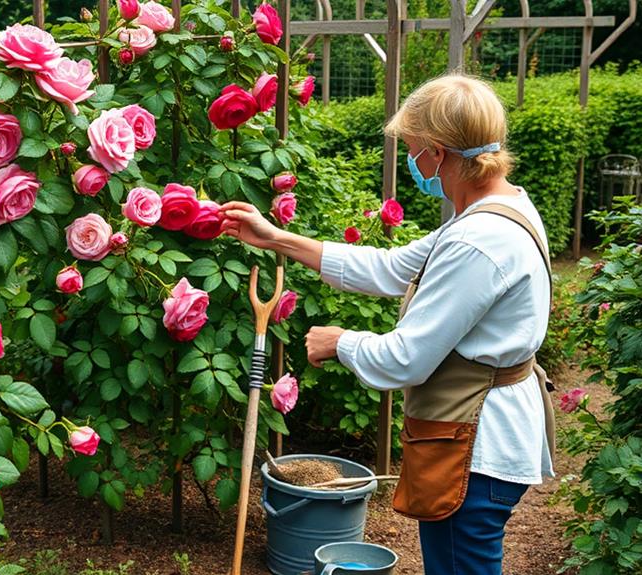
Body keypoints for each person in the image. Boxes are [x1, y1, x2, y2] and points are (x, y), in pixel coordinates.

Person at [220, 74, 556, 575]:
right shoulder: (497, 211)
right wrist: (276, 239)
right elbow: (392, 267)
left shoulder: (479, 241)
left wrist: (342, 342)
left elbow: (406, 359)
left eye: (413, 148)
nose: (411, 160)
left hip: (476, 447)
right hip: (478, 437)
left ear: (438, 154)